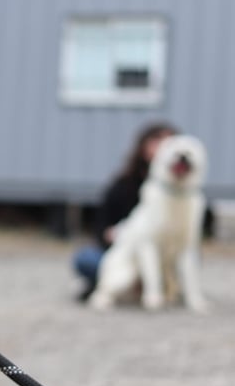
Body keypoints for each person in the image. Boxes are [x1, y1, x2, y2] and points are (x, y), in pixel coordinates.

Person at [73, 122, 177, 302]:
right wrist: (113, 234)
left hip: (162, 252)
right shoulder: (123, 184)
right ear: (143, 145)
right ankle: (120, 283)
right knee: (86, 259)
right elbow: (102, 226)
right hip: (124, 249)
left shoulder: (179, 193)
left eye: (169, 142)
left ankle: (140, 284)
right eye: (157, 140)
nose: (163, 147)